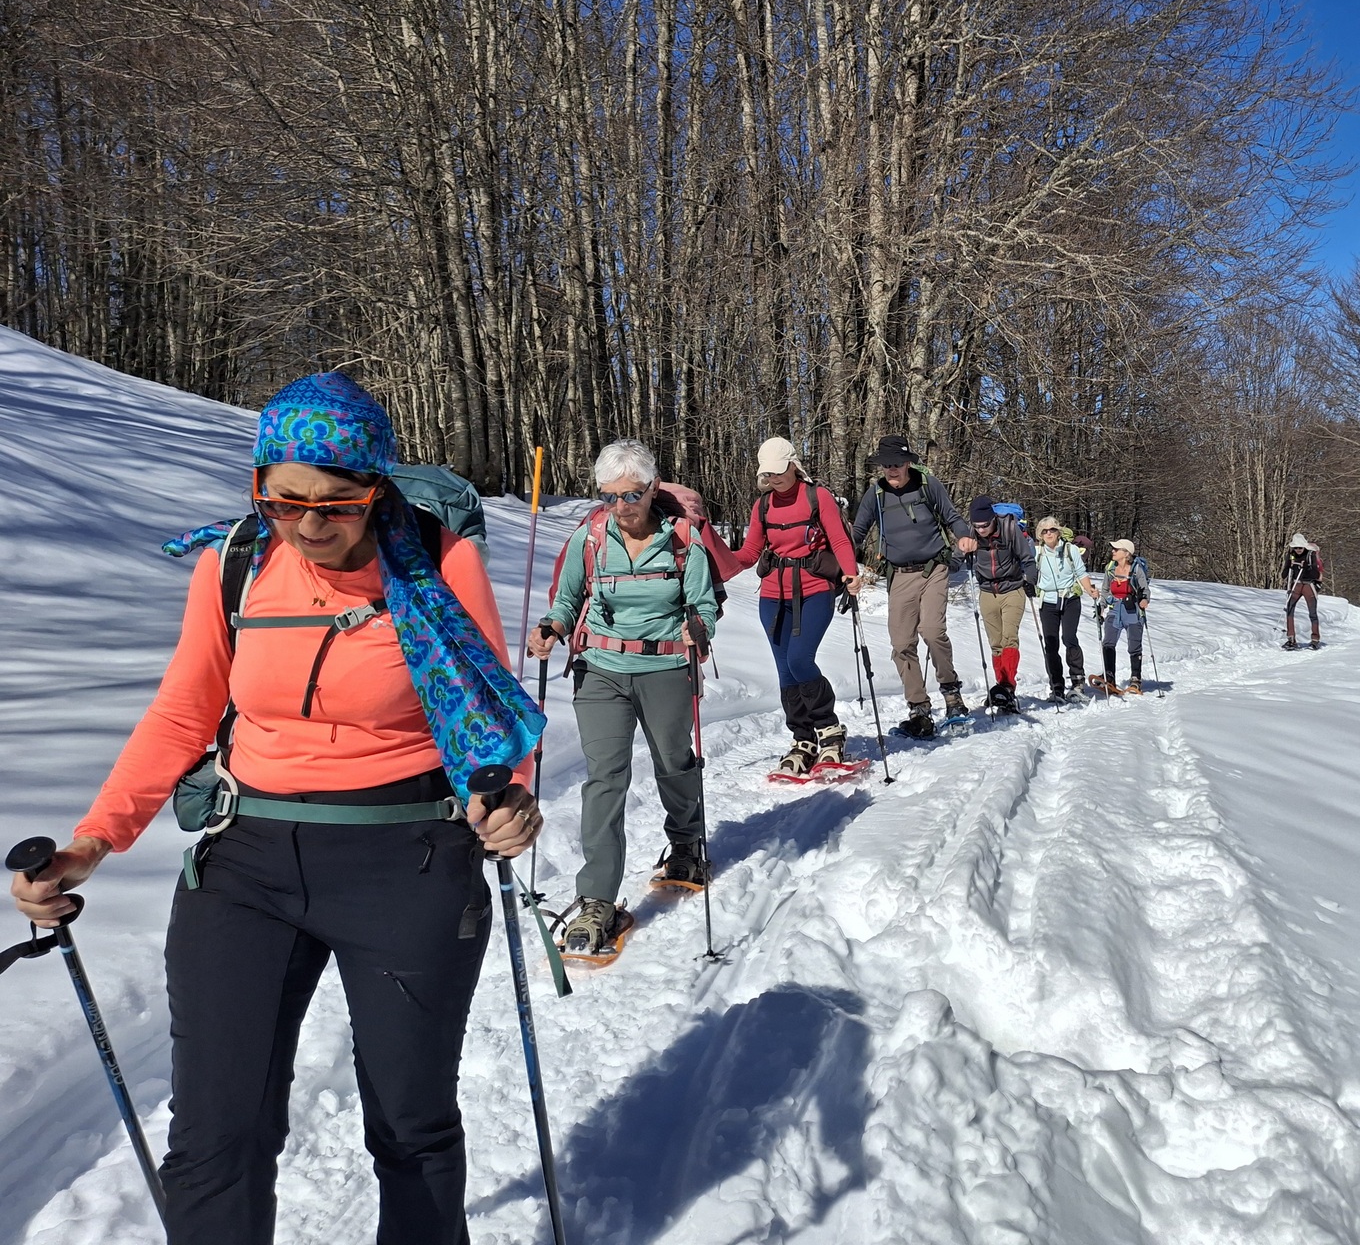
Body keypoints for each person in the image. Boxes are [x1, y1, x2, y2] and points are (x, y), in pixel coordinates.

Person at [10, 372, 543, 1245]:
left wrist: (508, 800)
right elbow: (184, 713)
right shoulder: (237, 564)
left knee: (410, 1128)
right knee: (217, 1132)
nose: (307, 524)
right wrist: (93, 841)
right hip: (246, 863)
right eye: (284, 500)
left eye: (338, 503)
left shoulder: (440, 564)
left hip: (406, 861)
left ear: (378, 490)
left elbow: (490, 714)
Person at [527, 440, 721, 950]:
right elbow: (567, 599)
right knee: (605, 780)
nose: (621, 506)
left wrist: (698, 626)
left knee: (674, 762)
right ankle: (596, 901)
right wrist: (552, 626)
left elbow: (703, 603)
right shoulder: (590, 537)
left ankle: (685, 845)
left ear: (652, 488)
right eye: (609, 496)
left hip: (664, 668)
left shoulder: (682, 540)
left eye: (632, 494)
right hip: (600, 671)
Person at [732, 437, 860, 774]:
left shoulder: (817, 497)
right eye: (768, 475)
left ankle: (829, 731)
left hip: (815, 589)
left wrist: (851, 573)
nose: (774, 479)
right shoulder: (763, 506)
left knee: (800, 659)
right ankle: (803, 739)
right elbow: (747, 554)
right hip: (773, 595)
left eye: (778, 472)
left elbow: (840, 539)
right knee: (785, 669)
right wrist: (713, 558)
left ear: (793, 465)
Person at [846, 434, 979, 737]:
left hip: (934, 568)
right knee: (902, 643)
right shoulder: (875, 495)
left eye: (896, 463)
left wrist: (963, 535)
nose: (891, 470)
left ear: (908, 463)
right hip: (899, 575)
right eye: (885, 465)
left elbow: (952, 516)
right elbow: (859, 533)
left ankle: (951, 692)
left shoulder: (927, 485)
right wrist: (841, 563)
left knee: (932, 631)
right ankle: (919, 709)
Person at [967, 495, 1037, 710]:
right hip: (987, 591)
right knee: (996, 642)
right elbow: (957, 558)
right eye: (976, 526)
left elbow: (1027, 558)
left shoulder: (1009, 528)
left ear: (993, 519)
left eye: (985, 525)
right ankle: (1001, 687)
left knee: (1009, 638)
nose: (981, 530)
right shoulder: (971, 534)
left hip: (1012, 588)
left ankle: (1008, 686)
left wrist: (1031, 581)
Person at [1032, 516, 1094, 701]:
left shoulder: (1070, 549)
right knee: (1051, 644)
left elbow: (1081, 572)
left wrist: (1090, 590)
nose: (1049, 533)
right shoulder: (1037, 552)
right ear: (1040, 535)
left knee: (1069, 638)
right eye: (1044, 531)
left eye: (1052, 530)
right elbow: (1028, 570)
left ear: (1058, 531)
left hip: (1070, 599)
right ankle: (1056, 686)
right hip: (1048, 601)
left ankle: (1077, 682)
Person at [1094, 537, 1152, 695]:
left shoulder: (1136, 569)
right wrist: (1102, 608)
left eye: (1116, 549)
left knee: (1134, 646)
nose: (1113, 551)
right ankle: (1109, 676)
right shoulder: (1110, 569)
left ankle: (1135, 679)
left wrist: (1144, 600)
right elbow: (1105, 591)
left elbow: (1145, 590)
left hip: (1133, 611)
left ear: (1126, 553)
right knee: (1108, 642)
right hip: (1114, 610)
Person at [1282, 532, 1324, 649]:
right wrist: (1289, 567)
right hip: (1296, 584)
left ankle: (1315, 639)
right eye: (1296, 548)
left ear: (1304, 547)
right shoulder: (1291, 555)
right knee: (1289, 610)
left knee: (1312, 613)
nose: (1298, 550)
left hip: (1308, 585)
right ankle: (1291, 639)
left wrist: (1306, 568)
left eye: (1300, 547)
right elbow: (1285, 573)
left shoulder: (1310, 555)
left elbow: (1315, 574)